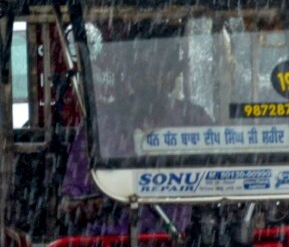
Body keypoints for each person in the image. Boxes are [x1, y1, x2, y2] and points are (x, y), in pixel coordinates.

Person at [61, 30, 212, 236]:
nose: (151, 79)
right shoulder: (102, 125)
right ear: (130, 72)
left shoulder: (196, 121)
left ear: (176, 71)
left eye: (161, 69)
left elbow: (226, 186)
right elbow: (68, 207)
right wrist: (114, 197)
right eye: (142, 68)